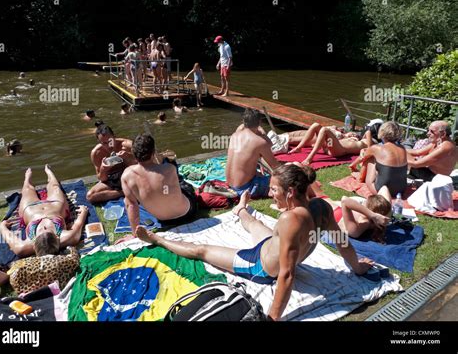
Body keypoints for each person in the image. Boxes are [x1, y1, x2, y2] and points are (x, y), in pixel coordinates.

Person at [135, 164, 374, 320]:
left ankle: (156, 238)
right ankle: (241, 210)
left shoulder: (291, 219)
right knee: (256, 225)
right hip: (272, 246)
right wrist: (357, 267)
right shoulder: (321, 207)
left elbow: (287, 275)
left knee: (201, 250)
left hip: (258, 265)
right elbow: (341, 241)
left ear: (290, 191)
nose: (270, 194)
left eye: (274, 190)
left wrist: (272, 317)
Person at [0, 165, 89, 257]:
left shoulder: (23, 247)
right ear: (57, 238)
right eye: (49, 231)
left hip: (31, 209)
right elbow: (78, 226)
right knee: (55, 186)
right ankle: (50, 174)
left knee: (27, 189)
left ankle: (27, 178)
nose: (45, 228)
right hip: (55, 205)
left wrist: (2, 227)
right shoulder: (67, 237)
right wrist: (83, 213)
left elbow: (9, 236)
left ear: (34, 244)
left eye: (41, 230)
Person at [121, 134, 197, 235]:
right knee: (185, 186)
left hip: (163, 220)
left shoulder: (126, 175)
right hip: (187, 213)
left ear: (133, 153)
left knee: (128, 200)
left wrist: (135, 234)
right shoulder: (170, 168)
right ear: (153, 152)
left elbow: (131, 205)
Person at [226, 108, 280, 198]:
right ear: (259, 122)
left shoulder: (234, 135)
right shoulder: (260, 141)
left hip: (231, 184)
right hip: (246, 189)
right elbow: (276, 167)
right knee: (283, 180)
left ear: (244, 121)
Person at [350, 122, 407, 196]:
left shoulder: (377, 148)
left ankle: (360, 177)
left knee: (370, 157)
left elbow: (363, 157)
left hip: (382, 192)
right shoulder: (402, 148)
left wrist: (353, 165)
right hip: (401, 191)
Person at [86, 122, 136, 204]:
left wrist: (128, 156)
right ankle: (124, 192)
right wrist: (103, 168)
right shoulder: (96, 153)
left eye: (110, 141)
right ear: (99, 142)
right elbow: (102, 179)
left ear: (114, 136)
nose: (109, 145)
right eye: (104, 143)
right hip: (113, 179)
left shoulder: (126, 145)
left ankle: (131, 189)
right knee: (90, 196)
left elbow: (143, 165)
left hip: (130, 175)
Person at [321, 187, 391, 243]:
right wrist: (385, 216)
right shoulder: (377, 221)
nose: (362, 203)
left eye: (364, 203)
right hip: (327, 202)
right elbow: (384, 188)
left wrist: (373, 215)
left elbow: (344, 200)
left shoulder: (356, 230)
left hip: (318, 206)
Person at [289, 123, 373, 165]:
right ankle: (299, 147)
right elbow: (366, 133)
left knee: (325, 130)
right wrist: (350, 136)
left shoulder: (369, 144)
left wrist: (360, 137)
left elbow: (368, 132)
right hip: (330, 146)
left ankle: (310, 158)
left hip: (339, 151)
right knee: (316, 125)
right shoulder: (360, 140)